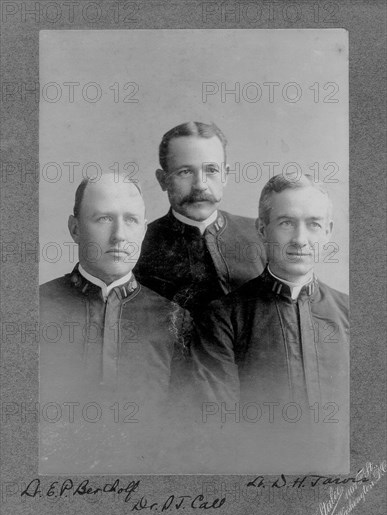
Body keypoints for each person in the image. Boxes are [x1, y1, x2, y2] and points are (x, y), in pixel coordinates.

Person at [183, 173, 349, 472]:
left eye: (313, 224)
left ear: (328, 231)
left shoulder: (352, 314)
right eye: (286, 223)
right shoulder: (223, 316)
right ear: (262, 229)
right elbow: (218, 425)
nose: (300, 239)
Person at [39, 173, 189, 473]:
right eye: (104, 218)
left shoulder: (174, 318)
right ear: (74, 228)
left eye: (131, 220)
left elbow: (184, 428)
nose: (119, 235)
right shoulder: (33, 309)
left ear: (143, 232)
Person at [134, 121, 265, 317]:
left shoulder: (261, 235)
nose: (200, 186)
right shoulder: (138, 244)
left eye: (211, 170)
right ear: (163, 180)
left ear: (225, 176)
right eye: (185, 172)